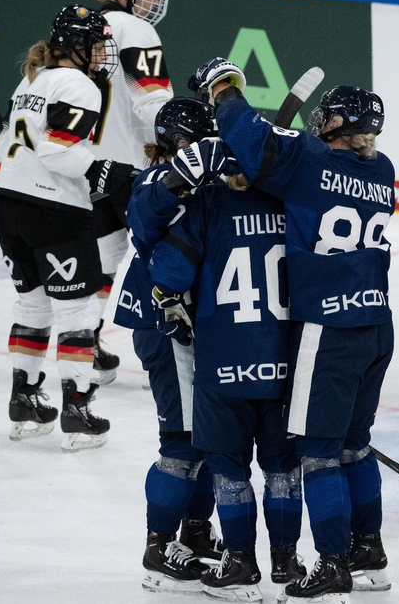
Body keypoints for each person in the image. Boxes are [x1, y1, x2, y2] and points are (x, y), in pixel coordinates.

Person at [194, 58, 396, 600]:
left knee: (320, 455)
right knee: (355, 447)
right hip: (378, 326)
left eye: (326, 117)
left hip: (329, 329)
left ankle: (332, 567)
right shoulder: (384, 170)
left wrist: (225, 88)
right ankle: (369, 551)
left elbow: (247, 135)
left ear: (335, 124)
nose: (318, 122)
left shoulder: (308, 158)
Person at [148, 130, 306, 600]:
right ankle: (286, 560)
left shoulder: (207, 203)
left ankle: (239, 562)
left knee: (229, 470)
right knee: (282, 468)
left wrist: (172, 301)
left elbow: (169, 272)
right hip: (285, 362)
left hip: (224, 361)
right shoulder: (293, 203)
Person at [0, 5, 130, 452]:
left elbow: (3, 144)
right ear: (74, 45)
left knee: (32, 305)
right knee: (79, 312)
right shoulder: (78, 84)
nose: (101, 54)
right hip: (53, 210)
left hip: (8, 203)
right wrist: (109, 172)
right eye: (95, 45)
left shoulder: (31, 80)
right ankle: (78, 410)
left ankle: (24, 401)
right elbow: (59, 152)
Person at [116, 98, 225, 592]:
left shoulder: (204, 182)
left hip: (197, 325)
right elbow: (147, 215)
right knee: (181, 442)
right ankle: (158, 549)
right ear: (182, 143)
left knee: (207, 439)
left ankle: (196, 533)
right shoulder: (156, 180)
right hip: (164, 328)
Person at [88, 0, 175, 382]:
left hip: (86, 168)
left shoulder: (86, 27)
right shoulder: (137, 30)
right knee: (170, 253)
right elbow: (153, 102)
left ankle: (82, 343)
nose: (153, 0)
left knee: (106, 254)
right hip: (132, 171)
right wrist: (184, 138)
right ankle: (174, 351)